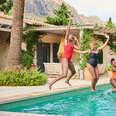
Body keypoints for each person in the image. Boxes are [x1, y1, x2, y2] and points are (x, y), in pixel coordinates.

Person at [48, 15, 81, 90]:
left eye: (71, 36)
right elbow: (68, 29)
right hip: (65, 59)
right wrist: (70, 21)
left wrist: (77, 40)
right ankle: (51, 83)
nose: (70, 36)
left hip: (69, 60)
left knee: (73, 72)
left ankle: (67, 81)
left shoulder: (72, 45)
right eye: (70, 35)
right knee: (64, 74)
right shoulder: (66, 42)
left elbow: (79, 48)